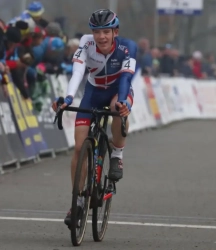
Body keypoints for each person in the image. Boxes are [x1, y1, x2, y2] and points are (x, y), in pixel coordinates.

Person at [51, 9, 137, 227]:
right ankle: (78, 200)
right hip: (93, 93)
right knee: (79, 148)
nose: (102, 37)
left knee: (118, 107)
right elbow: (78, 73)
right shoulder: (85, 45)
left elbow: (126, 79)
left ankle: (117, 153)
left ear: (115, 31)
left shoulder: (129, 48)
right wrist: (69, 98)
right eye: (97, 32)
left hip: (119, 90)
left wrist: (125, 102)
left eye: (106, 31)